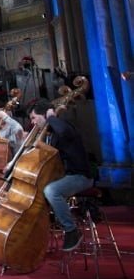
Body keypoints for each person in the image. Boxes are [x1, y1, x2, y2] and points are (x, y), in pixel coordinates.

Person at [30, 101, 93, 251]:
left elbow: (63, 131)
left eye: (34, 117)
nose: (32, 122)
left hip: (80, 176)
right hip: (66, 177)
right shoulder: (51, 134)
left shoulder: (65, 126)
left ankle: (71, 230)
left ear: (45, 114)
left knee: (52, 191)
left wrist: (51, 116)